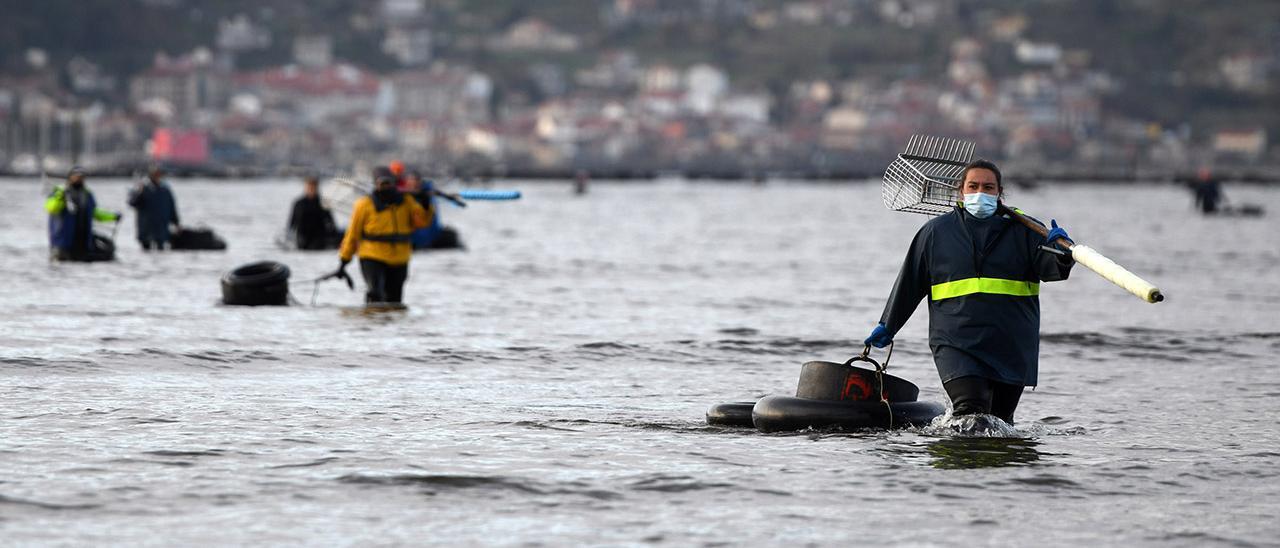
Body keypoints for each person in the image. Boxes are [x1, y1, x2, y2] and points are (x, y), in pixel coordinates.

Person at [864, 159, 1075, 425]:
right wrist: (888, 324)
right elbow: (910, 283)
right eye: (973, 186)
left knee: (1000, 422)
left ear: (1000, 193)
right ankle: (959, 465)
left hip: (1012, 344)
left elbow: (1052, 270)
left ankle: (1003, 467)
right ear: (961, 191)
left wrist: (1062, 252)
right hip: (956, 342)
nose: (980, 193)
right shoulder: (935, 233)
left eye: (988, 187)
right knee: (971, 411)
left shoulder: (1027, 232)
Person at [337, 167, 431, 304]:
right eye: (382, 183)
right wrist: (344, 260)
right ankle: (372, 319)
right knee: (376, 293)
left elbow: (423, 223)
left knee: (395, 300)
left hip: (399, 258)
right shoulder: (363, 205)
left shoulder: (407, 202)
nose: (386, 187)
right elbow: (352, 234)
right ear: (375, 184)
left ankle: (392, 324)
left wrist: (425, 204)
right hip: (372, 257)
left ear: (394, 184)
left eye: (389, 183)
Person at [45, 167, 122, 261]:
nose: (78, 179)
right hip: (63, 243)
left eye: (81, 177)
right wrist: (60, 196)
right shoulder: (60, 192)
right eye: (76, 176)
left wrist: (113, 217)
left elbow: (94, 213)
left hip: (83, 243)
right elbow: (51, 208)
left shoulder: (87, 194)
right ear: (70, 177)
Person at [128, 164, 180, 250]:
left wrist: (176, 223)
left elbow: (172, 208)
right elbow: (132, 203)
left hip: (161, 229)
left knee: (161, 247)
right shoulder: (143, 188)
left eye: (159, 174)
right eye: (155, 174)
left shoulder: (166, 190)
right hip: (146, 228)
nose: (157, 176)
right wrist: (138, 193)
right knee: (146, 249)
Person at [288, 175, 339, 250]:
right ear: (305, 187)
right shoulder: (299, 203)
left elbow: (330, 222)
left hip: (320, 238)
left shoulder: (323, 203)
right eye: (309, 187)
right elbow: (292, 223)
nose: (311, 189)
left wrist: (333, 235)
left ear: (317, 188)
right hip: (303, 238)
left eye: (313, 187)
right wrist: (290, 238)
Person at [402, 170, 444, 248]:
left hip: (424, 238)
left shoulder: (426, 197)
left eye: (414, 180)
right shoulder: (405, 196)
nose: (411, 183)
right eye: (409, 180)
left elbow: (429, 219)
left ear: (419, 182)